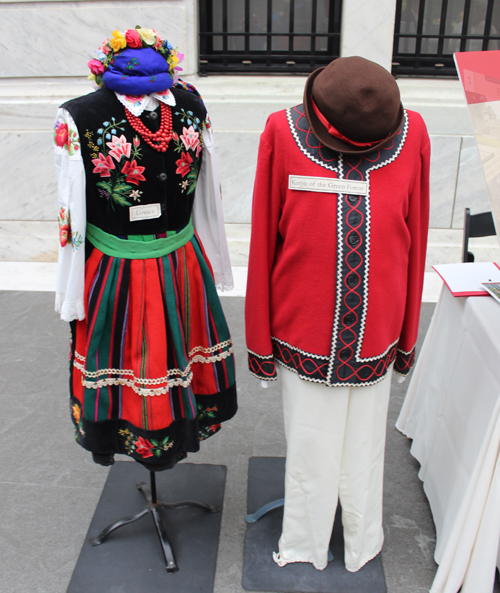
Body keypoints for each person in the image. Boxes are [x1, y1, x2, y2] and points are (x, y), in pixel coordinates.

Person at [245, 56, 430, 572]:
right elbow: (263, 239)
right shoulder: (281, 132)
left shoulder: (414, 134)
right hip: (301, 325)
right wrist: (260, 342)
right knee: (310, 444)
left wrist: (407, 337)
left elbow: (416, 241)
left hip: (378, 327)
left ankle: (360, 537)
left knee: (366, 447)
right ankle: (304, 543)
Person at [54, 27, 237, 470]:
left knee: (174, 352)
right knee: (129, 356)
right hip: (117, 268)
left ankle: (171, 436)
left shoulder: (191, 104)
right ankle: (132, 437)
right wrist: (71, 287)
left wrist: (214, 257)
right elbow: (71, 212)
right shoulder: (79, 117)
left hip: (180, 260)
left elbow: (207, 194)